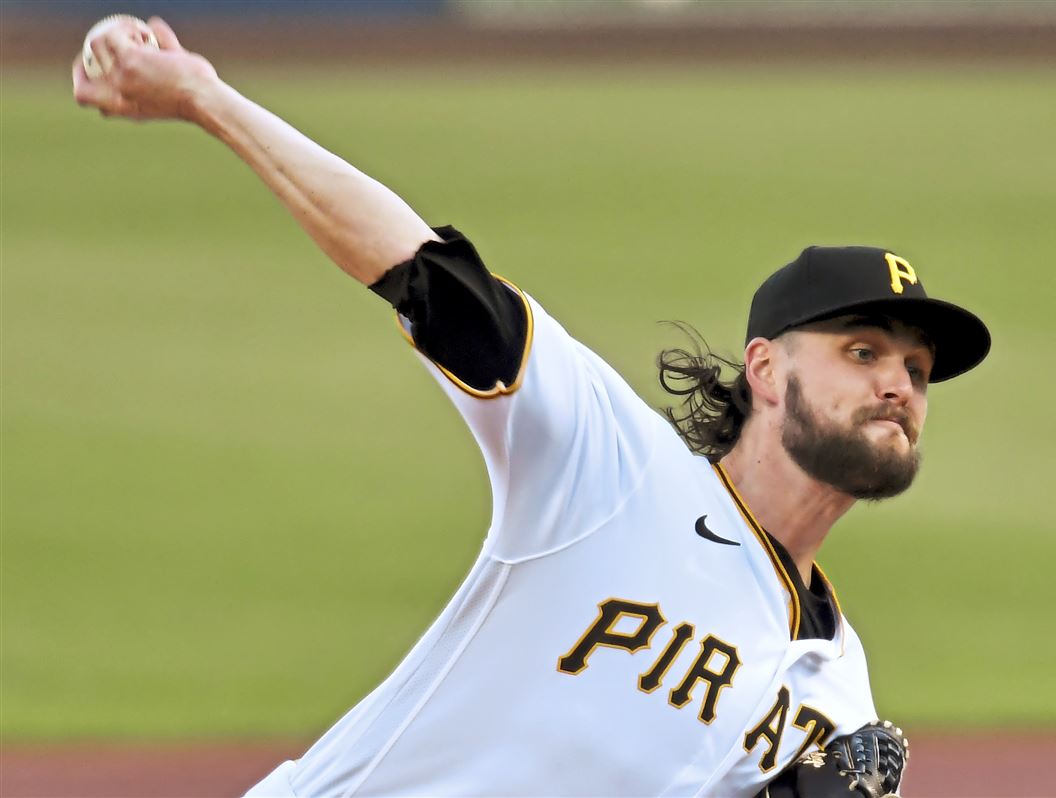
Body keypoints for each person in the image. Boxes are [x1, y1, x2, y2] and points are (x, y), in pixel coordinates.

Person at [73, 18, 989, 798]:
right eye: (862, 352)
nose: (898, 385)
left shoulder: (839, 697)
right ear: (766, 371)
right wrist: (204, 98)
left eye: (917, 367)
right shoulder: (612, 468)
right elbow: (422, 272)